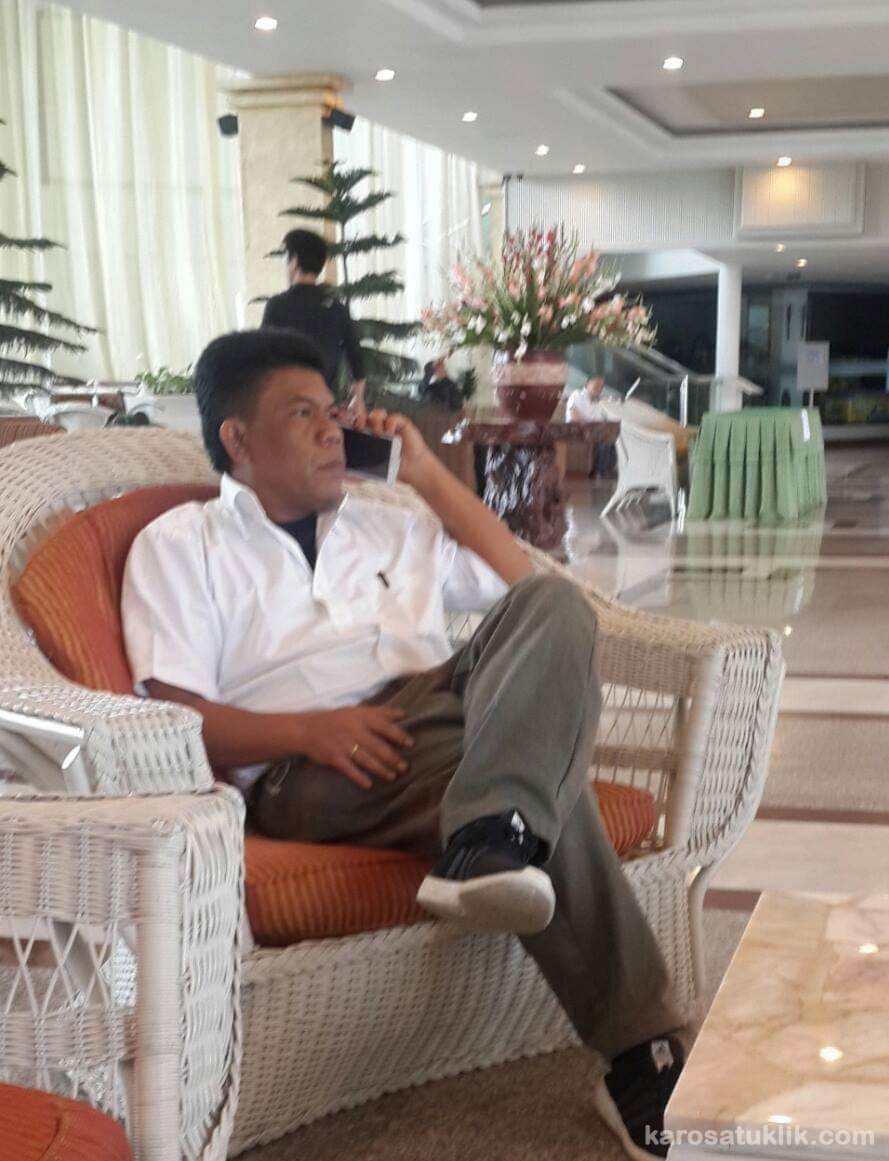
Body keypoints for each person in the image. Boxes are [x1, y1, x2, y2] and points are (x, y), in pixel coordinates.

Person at [121, 328, 684, 1159]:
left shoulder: (385, 526)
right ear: (237, 438)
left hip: (439, 721)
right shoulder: (182, 544)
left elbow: (519, 579)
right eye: (301, 413)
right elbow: (172, 712)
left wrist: (423, 472)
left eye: (332, 411)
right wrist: (306, 729)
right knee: (541, 780)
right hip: (310, 767)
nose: (330, 429)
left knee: (555, 607)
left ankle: (489, 834)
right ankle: (642, 1049)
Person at [262, 228, 367, 415]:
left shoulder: (277, 306)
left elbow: (262, 359)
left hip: (287, 408)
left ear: (294, 261)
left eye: (286, 257)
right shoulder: (337, 308)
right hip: (323, 409)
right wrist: (358, 400)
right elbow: (357, 360)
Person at [567, 376, 617, 479]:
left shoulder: (597, 404)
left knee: (613, 438)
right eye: (596, 384)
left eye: (601, 387)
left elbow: (601, 422)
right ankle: (600, 472)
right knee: (605, 440)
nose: (599, 388)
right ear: (587, 383)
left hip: (592, 433)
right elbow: (574, 416)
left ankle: (606, 470)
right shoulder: (577, 395)